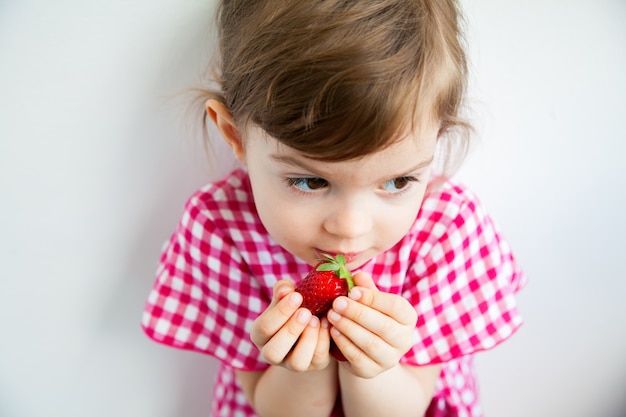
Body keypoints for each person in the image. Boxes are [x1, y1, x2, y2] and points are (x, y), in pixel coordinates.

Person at [141, 0, 527, 416]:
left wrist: (374, 368)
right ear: (235, 136)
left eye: (397, 182)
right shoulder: (223, 230)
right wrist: (303, 364)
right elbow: (273, 408)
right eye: (310, 181)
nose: (350, 228)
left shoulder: (444, 231)